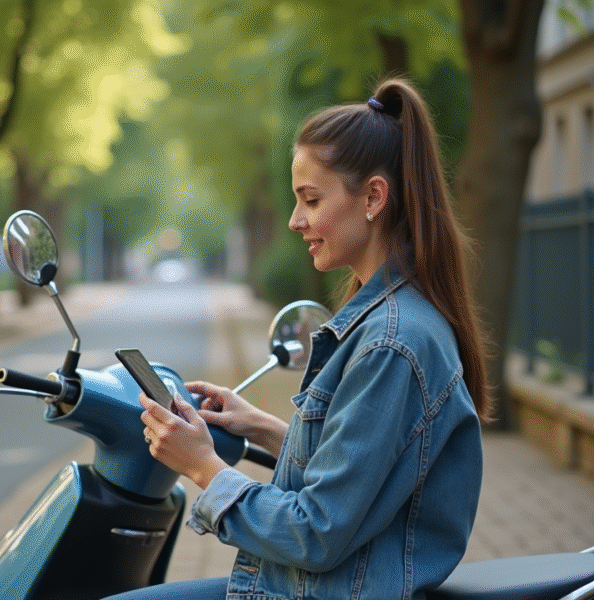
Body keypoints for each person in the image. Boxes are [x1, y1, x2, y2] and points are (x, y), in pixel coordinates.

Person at [120, 78, 491, 600]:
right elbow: (362, 472)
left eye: (311, 200)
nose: (295, 221)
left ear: (374, 197)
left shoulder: (392, 344)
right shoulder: (390, 320)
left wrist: (202, 466)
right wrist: (262, 428)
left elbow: (316, 532)